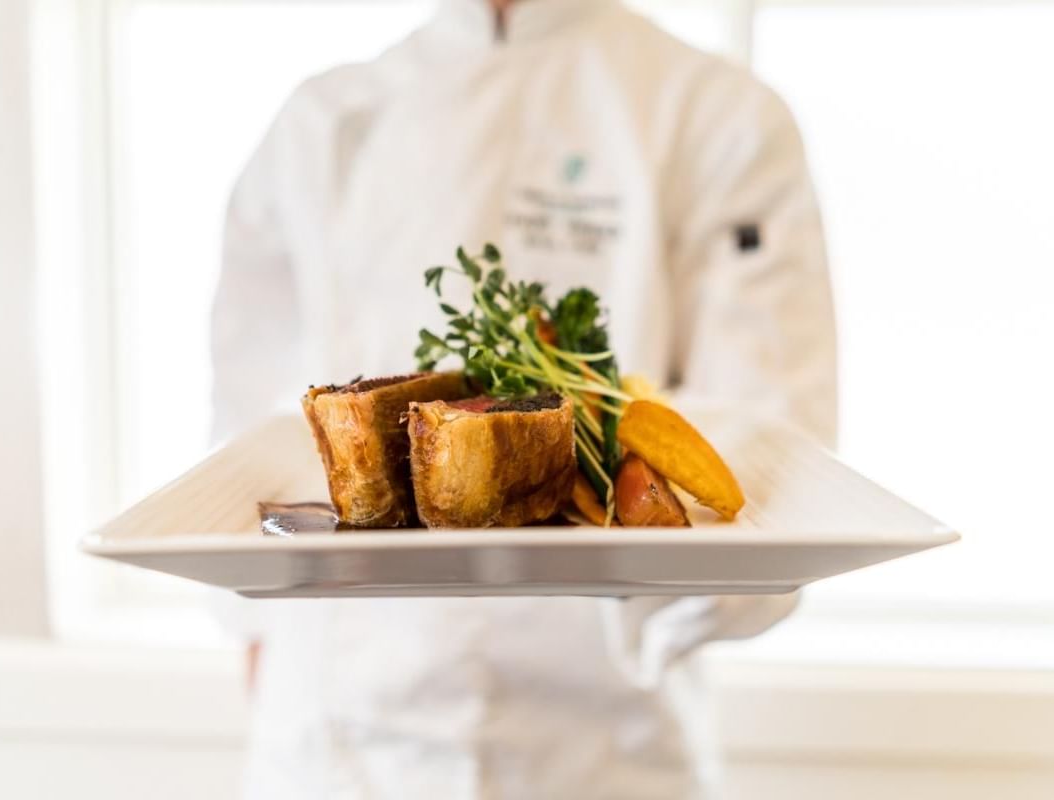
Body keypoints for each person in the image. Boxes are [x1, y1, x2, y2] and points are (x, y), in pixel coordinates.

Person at [211, 0, 837, 797]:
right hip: (335, 740)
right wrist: (254, 631)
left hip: (602, 747)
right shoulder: (325, 116)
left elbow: (774, 463)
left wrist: (665, 613)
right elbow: (240, 413)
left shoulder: (718, 114)